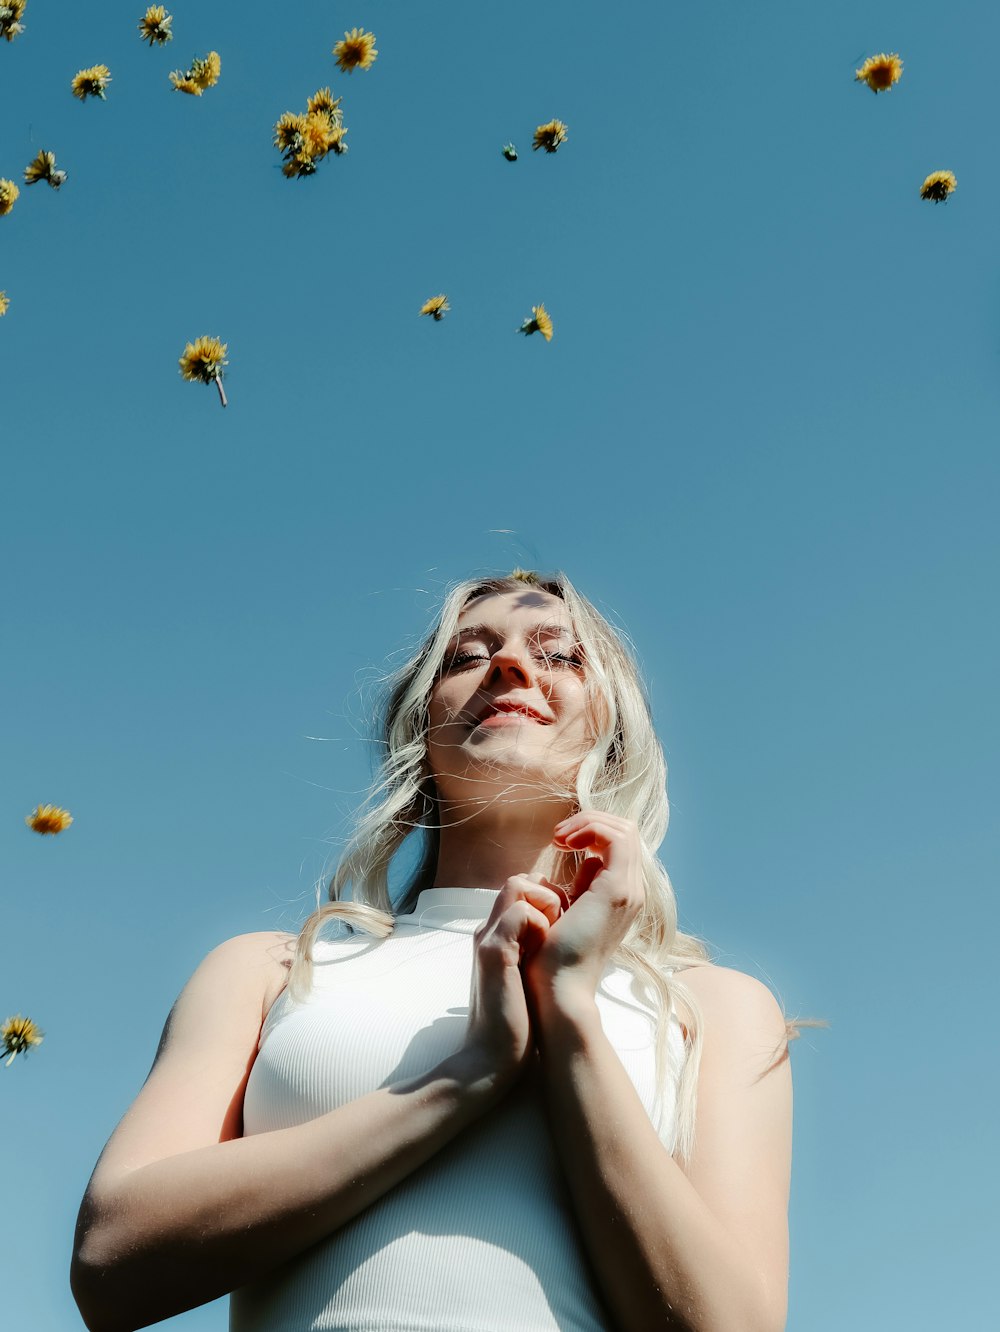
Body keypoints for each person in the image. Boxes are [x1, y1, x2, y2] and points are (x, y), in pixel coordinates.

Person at [71, 570, 795, 1332]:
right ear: (418, 725)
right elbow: (111, 1263)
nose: (510, 666)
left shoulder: (711, 1006)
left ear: (617, 731)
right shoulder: (273, 971)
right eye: (466, 656)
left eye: (560, 656)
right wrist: (467, 1075)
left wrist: (570, 1012)